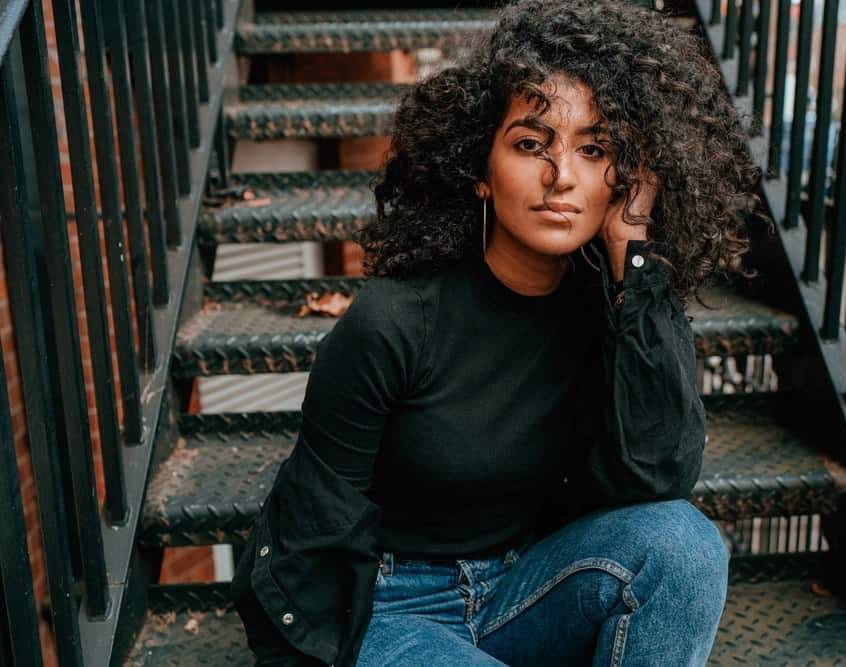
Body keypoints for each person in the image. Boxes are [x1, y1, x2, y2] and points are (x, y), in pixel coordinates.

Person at [230, 1, 769, 665]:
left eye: (594, 149)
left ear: (623, 177)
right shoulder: (393, 322)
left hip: (522, 588)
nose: (562, 176)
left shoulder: (613, 308)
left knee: (686, 544)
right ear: (481, 172)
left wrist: (638, 257)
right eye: (530, 144)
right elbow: (309, 540)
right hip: (384, 606)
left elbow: (657, 478)